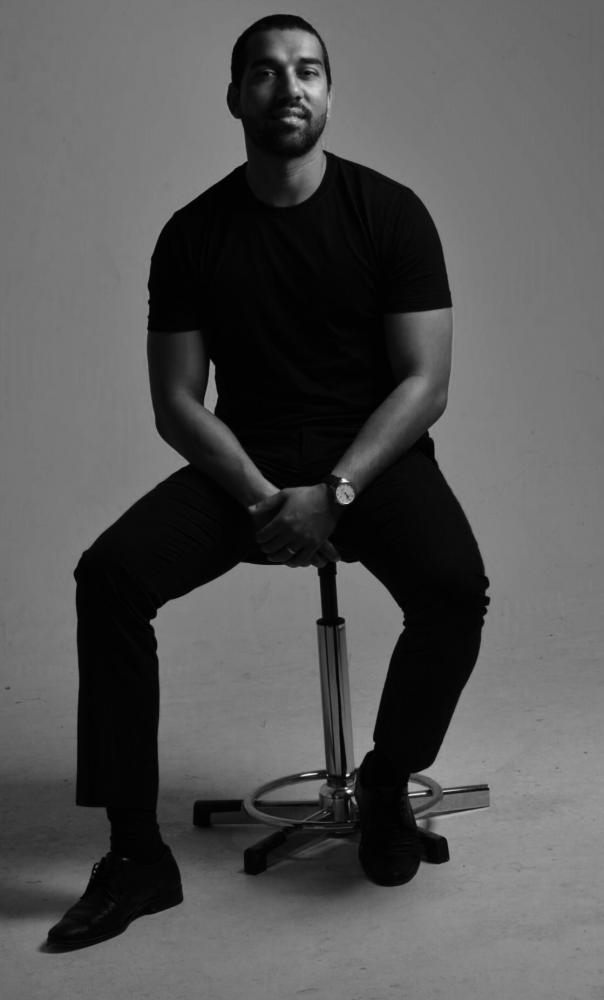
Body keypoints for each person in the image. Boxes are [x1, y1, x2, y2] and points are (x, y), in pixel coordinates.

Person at [46, 14, 490, 951]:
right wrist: (262, 499)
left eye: (309, 71)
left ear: (329, 92)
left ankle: (384, 784)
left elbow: (426, 384)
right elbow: (177, 403)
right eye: (267, 72)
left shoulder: (391, 213)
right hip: (246, 466)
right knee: (110, 577)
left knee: (455, 589)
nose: (290, 87)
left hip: (370, 462)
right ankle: (135, 854)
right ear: (235, 95)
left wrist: (334, 494)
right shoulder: (193, 234)